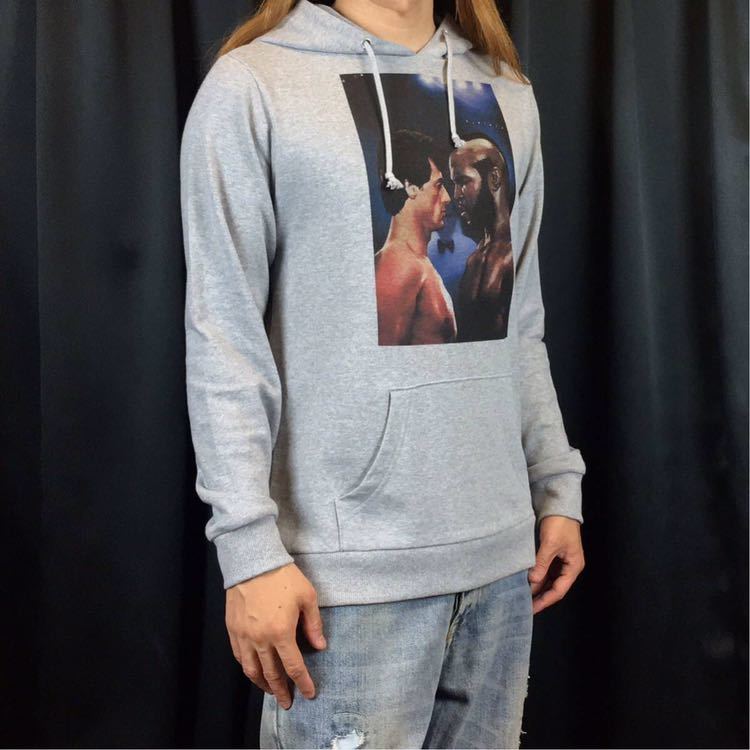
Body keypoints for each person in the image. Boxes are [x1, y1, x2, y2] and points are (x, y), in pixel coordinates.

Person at [179, 0, 587, 747]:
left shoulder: (507, 92)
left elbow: (521, 329)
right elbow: (224, 338)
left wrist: (556, 483)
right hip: (346, 579)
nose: (450, 198)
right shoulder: (254, 84)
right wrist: (247, 552)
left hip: (500, 564)